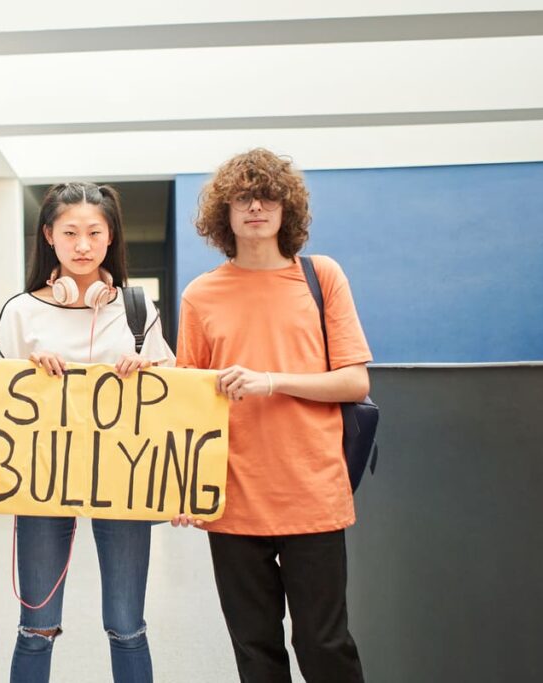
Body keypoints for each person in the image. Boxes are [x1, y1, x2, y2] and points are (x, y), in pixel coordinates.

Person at [173, 148, 371, 682]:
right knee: (255, 650)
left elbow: (355, 381)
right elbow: (188, 402)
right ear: (225, 213)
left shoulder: (321, 277)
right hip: (232, 496)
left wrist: (271, 381)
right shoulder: (201, 295)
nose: (256, 207)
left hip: (312, 492)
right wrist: (182, 489)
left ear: (287, 209)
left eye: (267, 197)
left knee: (325, 644)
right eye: (243, 198)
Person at [0, 182, 175, 683]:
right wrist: (26, 372)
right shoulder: (21, 311)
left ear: (111, 237)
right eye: (70, 232)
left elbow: (169, 398)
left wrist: (146, 368)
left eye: (95, 232)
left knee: (127, 625)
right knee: (36, 626)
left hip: (121, 478)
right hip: (43, 480)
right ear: (48, 235)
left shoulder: (137, 309)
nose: (82, 245)